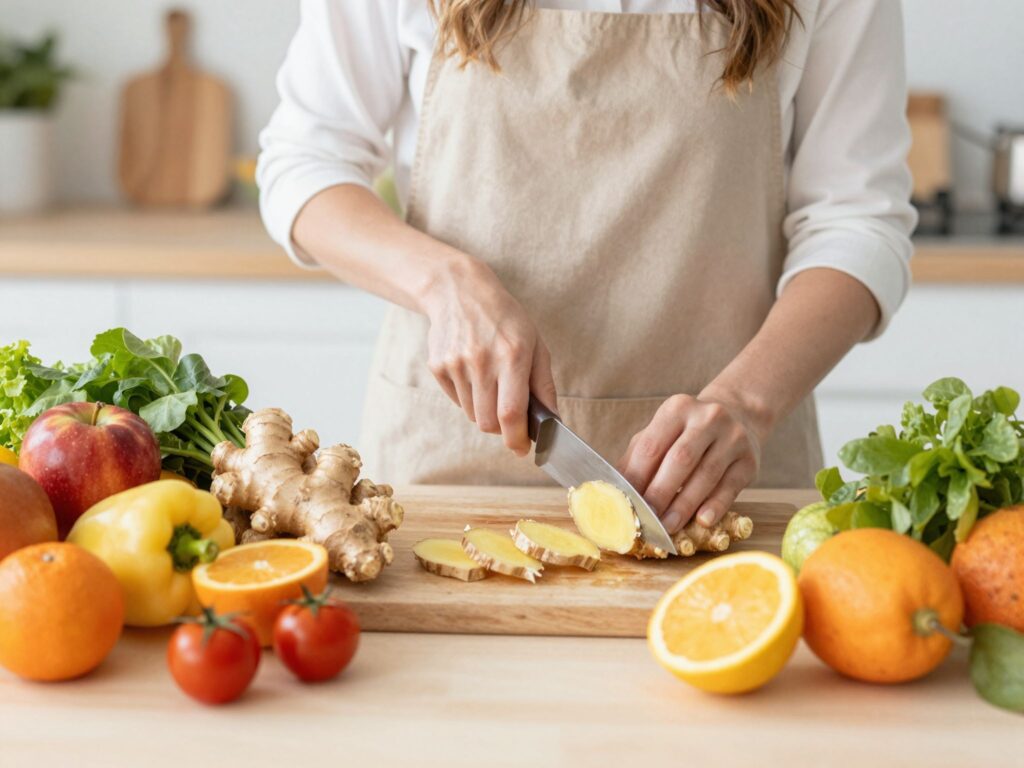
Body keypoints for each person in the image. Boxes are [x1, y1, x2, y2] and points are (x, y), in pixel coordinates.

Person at [257, 0, 915, 537]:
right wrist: (444, 283)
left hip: (719, 490)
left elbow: (858, 222)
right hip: (447, 477)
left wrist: (746, 402)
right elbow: (304, 164)